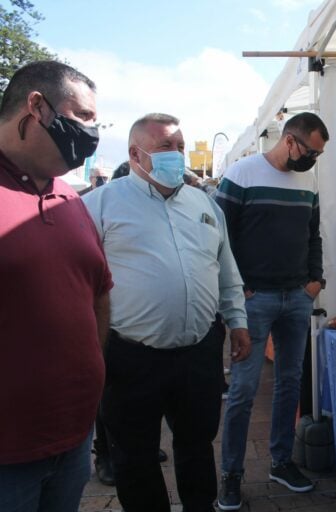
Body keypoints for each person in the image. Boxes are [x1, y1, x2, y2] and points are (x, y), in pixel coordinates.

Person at [82, 113, 251, 512]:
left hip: (198, 350)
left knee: (196, 443)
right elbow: (80, 279)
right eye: (165, 148)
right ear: (135, 154)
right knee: (134, 453)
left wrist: (238, 320)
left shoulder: (204, 203)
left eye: (179, 146)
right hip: (129, 354)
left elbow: (226, 268)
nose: (176, 155)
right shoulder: (98, 205)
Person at [0, 60, 110, 511]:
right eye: (82, 116)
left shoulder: (68, 195)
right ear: (36, 107)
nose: (92, 130)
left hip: (72, 438)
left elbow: (98, 291)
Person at [216, 112, 329, 510]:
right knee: (244, 391)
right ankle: (231, 474)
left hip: (296, 297)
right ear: (289, 140)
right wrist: (236, 291)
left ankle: (280, 462)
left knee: (289, 383)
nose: (313, 159)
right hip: (254, 300)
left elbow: (313, 234)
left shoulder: (308, 180)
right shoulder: (242, 174)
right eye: (311, 151)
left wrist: (315, 279)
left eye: (318, 154)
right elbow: (219, 235)